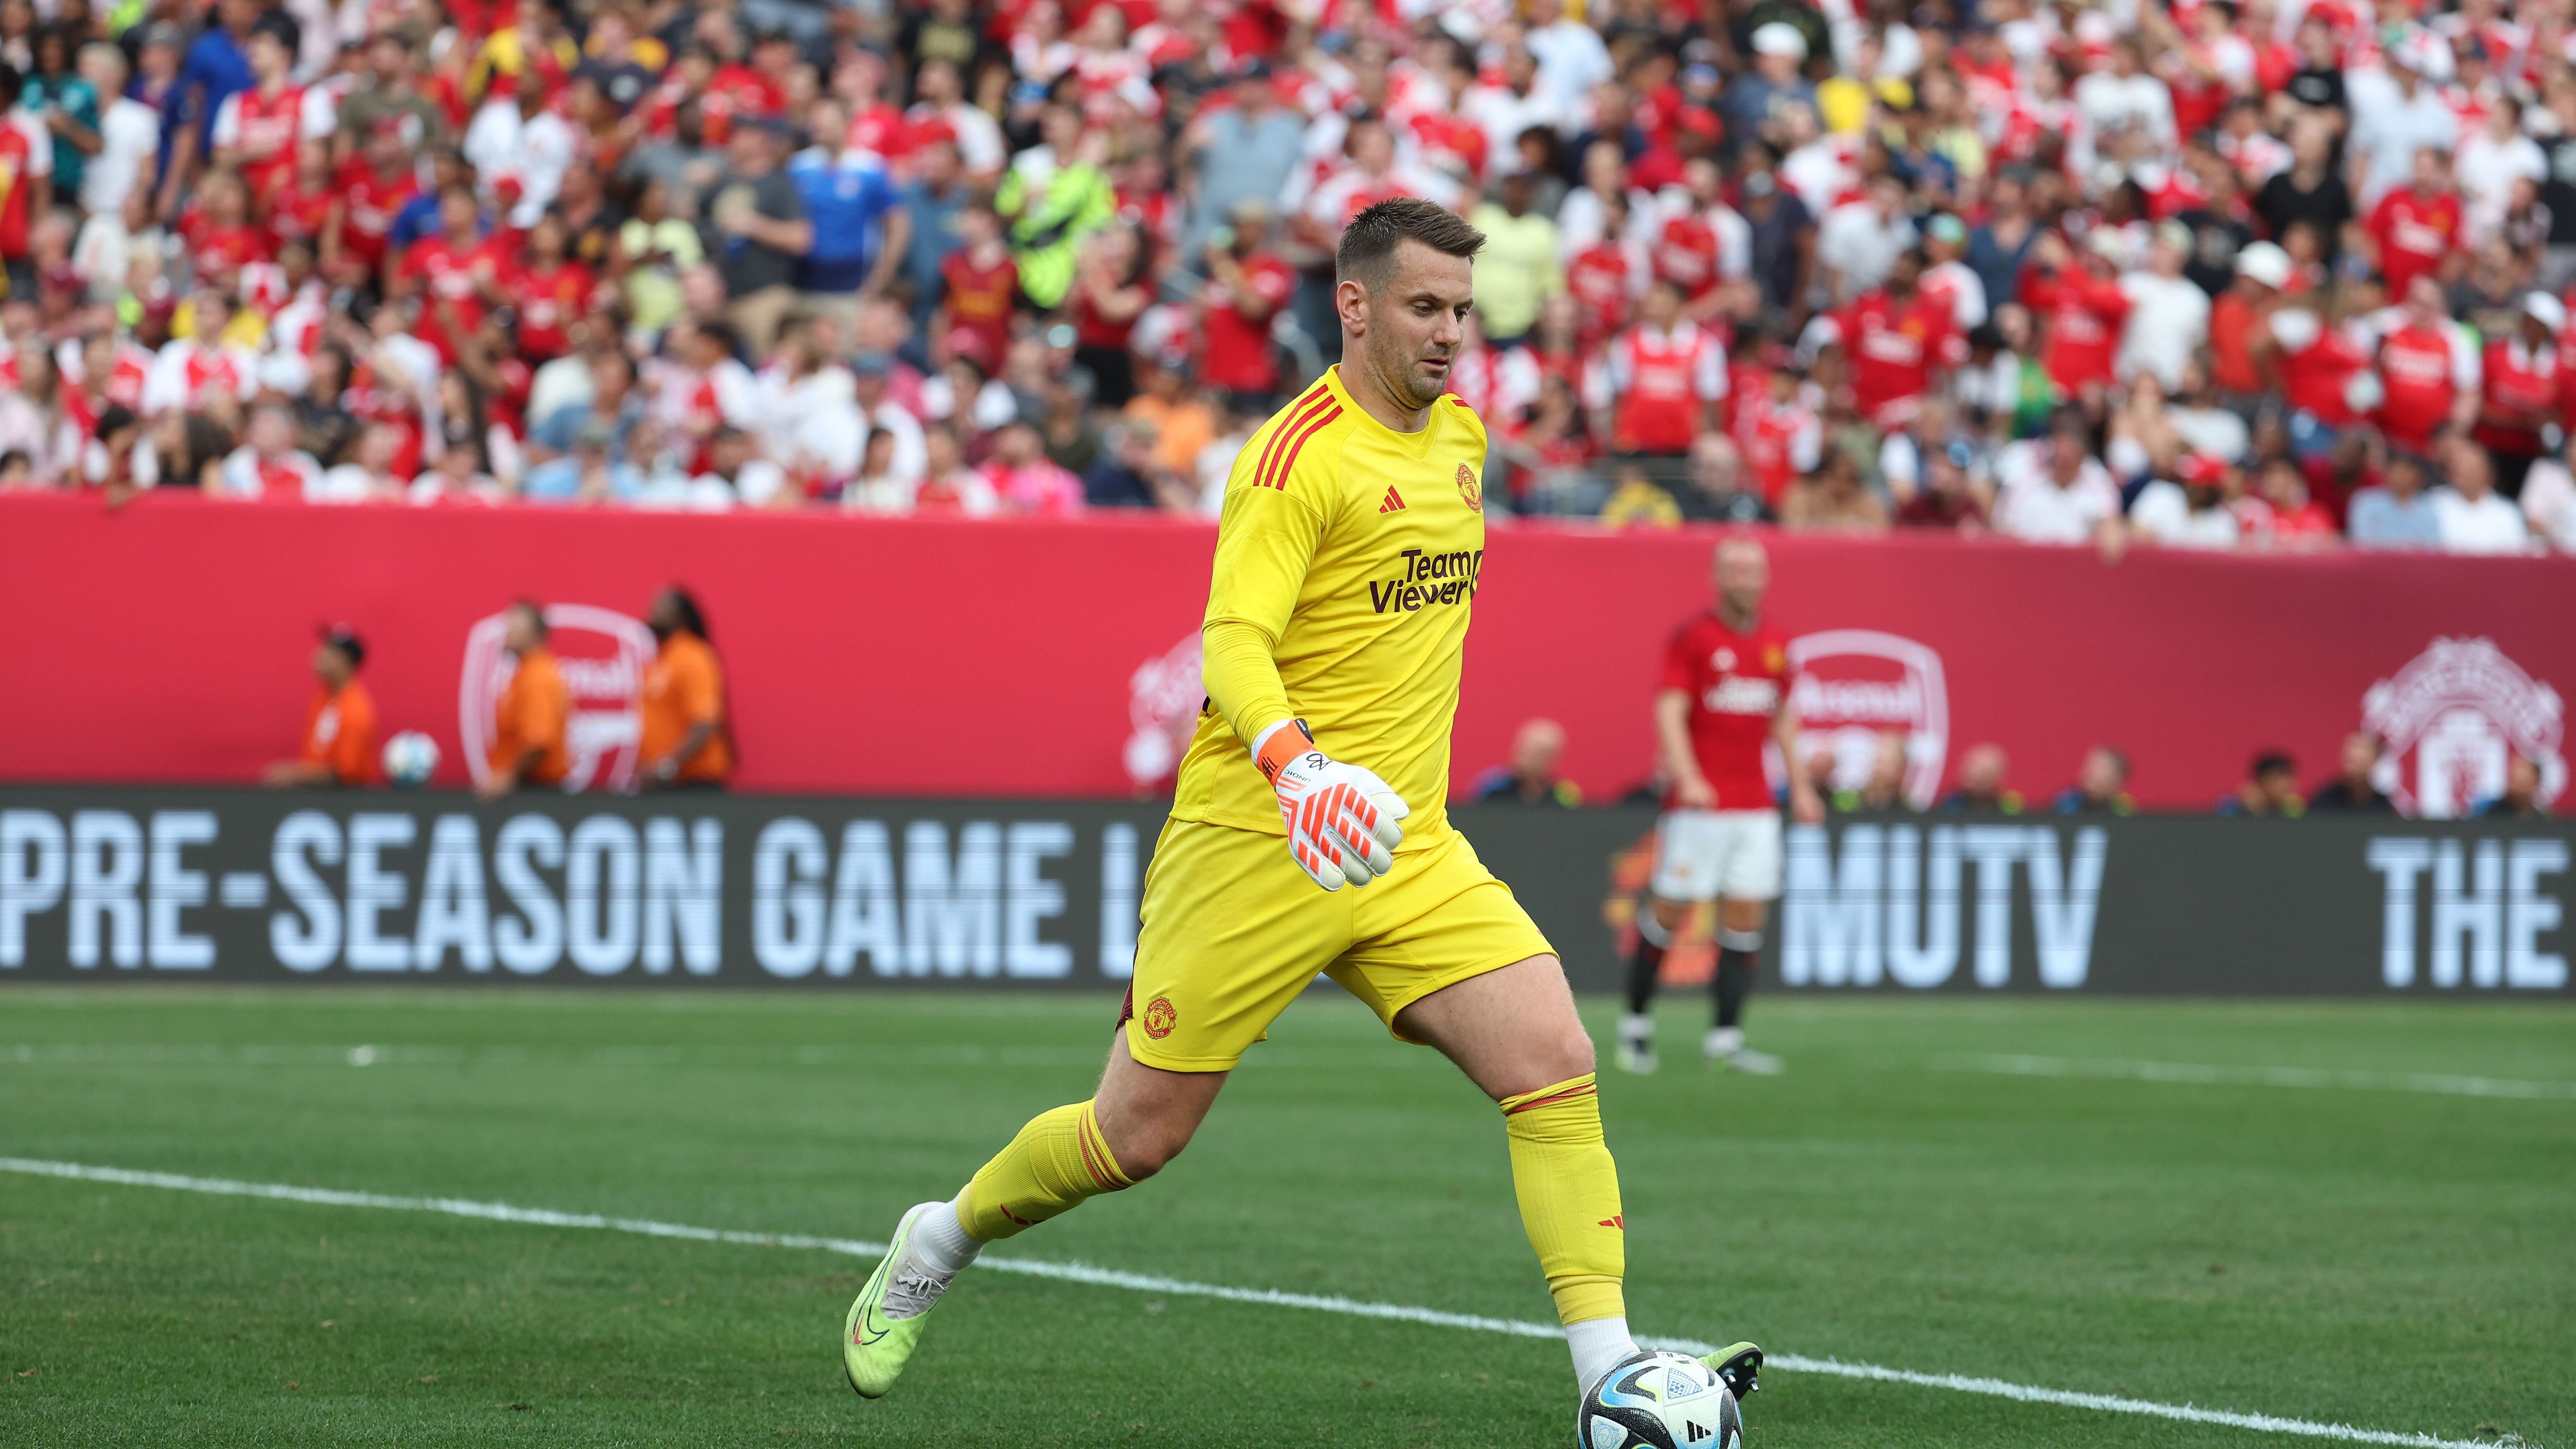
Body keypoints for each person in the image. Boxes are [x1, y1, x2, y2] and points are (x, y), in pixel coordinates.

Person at [839, 198, 1765, 1422]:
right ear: (1354, 305)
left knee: (1553, 1064)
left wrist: (1365, 788)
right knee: (1134, 1137)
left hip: (1404, 847)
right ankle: (936, 1242)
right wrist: (1297, 766)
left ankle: (1609, 1379)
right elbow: (1231, 640)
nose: (1446, 335)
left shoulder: (1460, 444)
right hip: (1257, 839)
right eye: (1423, 308)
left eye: (1459, 312)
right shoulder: (1292, 458)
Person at [1615, 536, 1821, 1080]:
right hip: (1700, 806)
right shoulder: (1695, 637)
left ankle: (1725, 1039)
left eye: (1754, 569)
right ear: (1718, 577)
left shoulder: (1776, 641)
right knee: (1671, 911)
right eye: (1735, 569)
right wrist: (1689, 778)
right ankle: (1634, 1027)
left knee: (1747, 916)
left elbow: (1781, 717)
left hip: (1754, 803)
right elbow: (1670, 709)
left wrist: (1800, 786)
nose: (1746, 579)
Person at [637, 586, 733, 790]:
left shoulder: (694, 656)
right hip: (664, 785)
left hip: (695, 786)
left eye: (662, 605)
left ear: (681, 615)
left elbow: (705, 723)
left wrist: (668, 766)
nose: (652, 609)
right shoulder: (662, 659)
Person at [261, 626, 376, 788]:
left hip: (345, 805)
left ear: (345, 661)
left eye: (329, 652)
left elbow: (346, 773)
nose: (318, 655)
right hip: (317, 800)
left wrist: (294, 775)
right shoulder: (321, 700)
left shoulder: (356, 709)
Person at [479, 600, 570, 801]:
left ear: (534, 636)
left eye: (514, 628)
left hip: (534, 793)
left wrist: (508, 778)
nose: (507, 634)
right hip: (529, 790)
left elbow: (540, 742)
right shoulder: (526, 673)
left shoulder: (537, 677)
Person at [1472, 719, 1580, 806]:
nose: (1526, 757)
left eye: (1539, 752)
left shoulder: (1564, 796)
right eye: (1524, 748)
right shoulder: (1493, 788)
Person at [2306, 733, 2395, 813]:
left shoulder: (2382, 806)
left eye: (2362, 749)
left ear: (2375, 760)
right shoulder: (2324, 801)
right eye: (2350, 760)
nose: (2354, 753)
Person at [2217, 751, 2303, 816]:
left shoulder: (2294, 810)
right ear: (2260, 781)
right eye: (2276, 779)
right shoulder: (2232, 805)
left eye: (2288, 779)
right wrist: (2248, 809)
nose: (2283, 785)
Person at [1939, 745, 2021, 813]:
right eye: (1969, 765)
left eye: (1983, 770)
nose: (1972, 773)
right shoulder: (1951, 803)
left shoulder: (2008, 807)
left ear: (1996, 776)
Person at [2051, 746, 2132, 814]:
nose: (2092, 771)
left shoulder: (2123, 811)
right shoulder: (2066, 804)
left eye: (2101, 767)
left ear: (2118, 780)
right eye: (2090, 765)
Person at [2473, 756, 2550, 820]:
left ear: (2536, 781)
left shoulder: (2544, 820)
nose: (2516, 788)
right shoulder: (2490, 812)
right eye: (2513, 780)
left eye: (2522, 783)